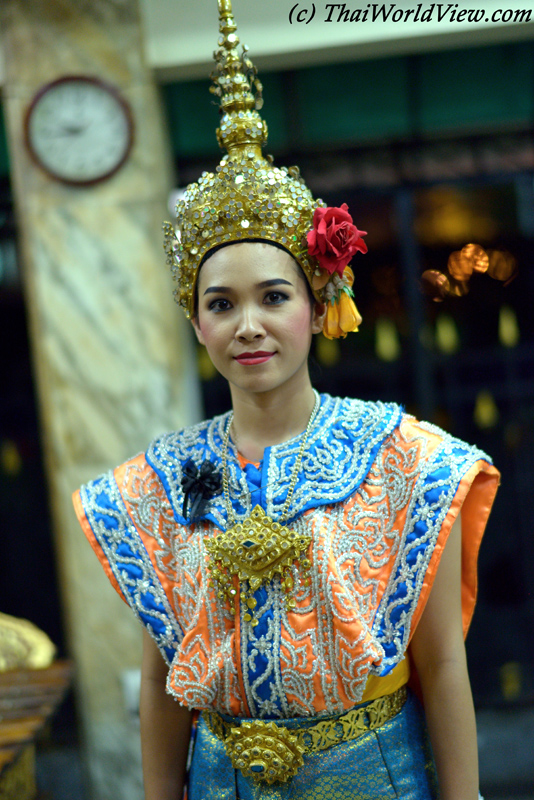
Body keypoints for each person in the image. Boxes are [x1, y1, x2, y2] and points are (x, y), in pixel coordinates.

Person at [72, 2, 500, 798]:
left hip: (374, 775)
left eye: (273, 296)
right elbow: (167, 673)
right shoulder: (160, 484)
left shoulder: (408, 460)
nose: (249, 325)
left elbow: (441, 662)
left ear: (317, 303)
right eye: (222, 304)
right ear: (196, 321)